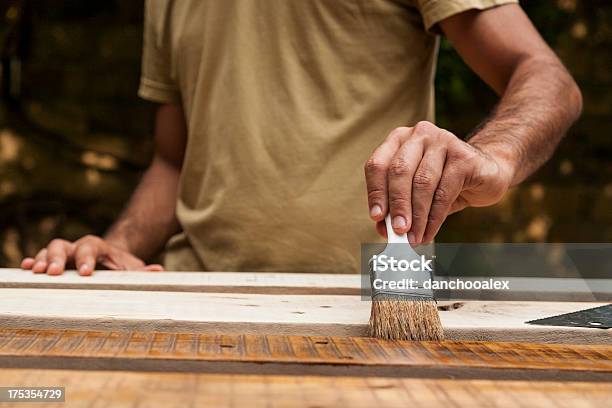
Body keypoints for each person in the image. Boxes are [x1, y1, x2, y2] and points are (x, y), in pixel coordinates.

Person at [21, 0, 582, 276]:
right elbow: (175, 160)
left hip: (362, 312)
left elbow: (543, 73)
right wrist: (118, 245)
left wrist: (494, 157)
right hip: (193, 304)